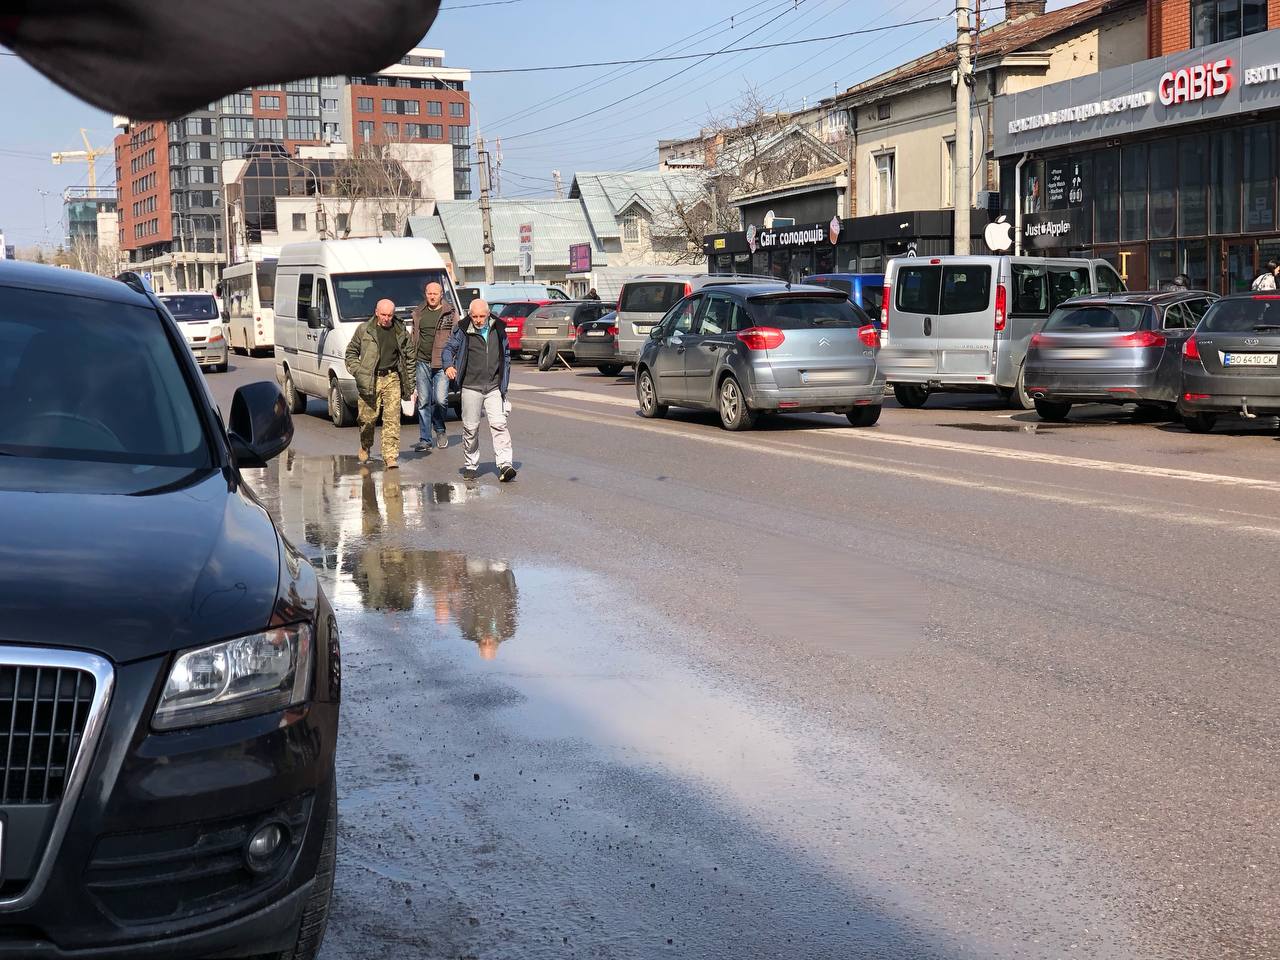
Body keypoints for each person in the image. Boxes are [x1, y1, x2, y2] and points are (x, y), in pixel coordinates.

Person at [442, 298, 515, 483]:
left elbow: (506, 353)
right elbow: (448, 349)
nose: (478, 320)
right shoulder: (463, 329)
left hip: (493, 387)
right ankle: (471, 465)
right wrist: (448, 365)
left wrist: (503, 377)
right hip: (471, 386)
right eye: (474, 316)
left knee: (499, 425)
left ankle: (505, 464)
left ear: (488, 314)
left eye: (482, 316)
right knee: (471, 428)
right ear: (470, 314)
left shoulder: (498, 328)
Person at [344, 297, 413, 468]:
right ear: (376, 312)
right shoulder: (364, 330)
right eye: (383, 314)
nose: (386, 318)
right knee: (367, 419)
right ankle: (365, 445)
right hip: (370, 378)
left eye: (390, 315)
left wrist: (410, 382)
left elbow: (410, 356)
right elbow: (351, 353)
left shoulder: (400, 331)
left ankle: (390, 456)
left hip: (392, 377)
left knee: (392, 419)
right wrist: (358, 372)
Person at [410, 281, 458, 452]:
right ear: (425, 294)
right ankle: (425, 439)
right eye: (429, 293)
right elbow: (414, 337)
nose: (431, 296)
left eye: (435, 294)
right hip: (421, 361)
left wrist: (451, 362)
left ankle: (440, 428)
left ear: (441, 295)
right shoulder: (418, 312)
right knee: (423, 401)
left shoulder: (450, 313)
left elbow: (456, 338)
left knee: (440, 399)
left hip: (442, 364)